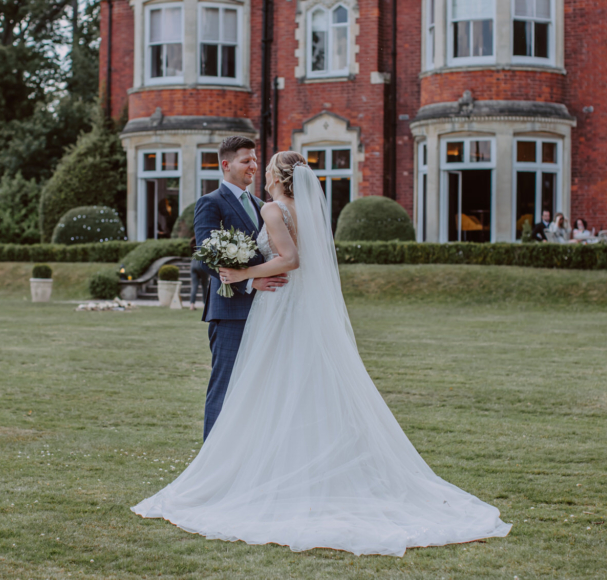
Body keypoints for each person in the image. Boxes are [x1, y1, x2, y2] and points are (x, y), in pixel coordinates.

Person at [133, 152, 511, 555]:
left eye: (266, 164)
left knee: (266, 384)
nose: (260, 169)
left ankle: (254, 476)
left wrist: (244, 273)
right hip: (296, 305)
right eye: (250, 160)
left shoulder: (275, 209)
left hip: (279, 305)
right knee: (295, 384)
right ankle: (279, 469)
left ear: (280, 176)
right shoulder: (301, 208)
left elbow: (290, 260)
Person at [192, 136, 288, 439]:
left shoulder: (262, 206)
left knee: (258, 390)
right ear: (226, 164)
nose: (254, 166)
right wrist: (250, 281)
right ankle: (210, 466)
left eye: (256, 160)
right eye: (246, 160)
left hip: (266, 311)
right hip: (231, 312)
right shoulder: (211, 203)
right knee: (224, 387)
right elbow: (206, 257)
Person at [187, 234, 208, 312]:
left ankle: (192, 304)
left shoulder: (192, 243)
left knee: (194, 286)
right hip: (202, 264)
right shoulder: (203, 243)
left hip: (193, 264)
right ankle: (205, 304)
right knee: (204, 285)